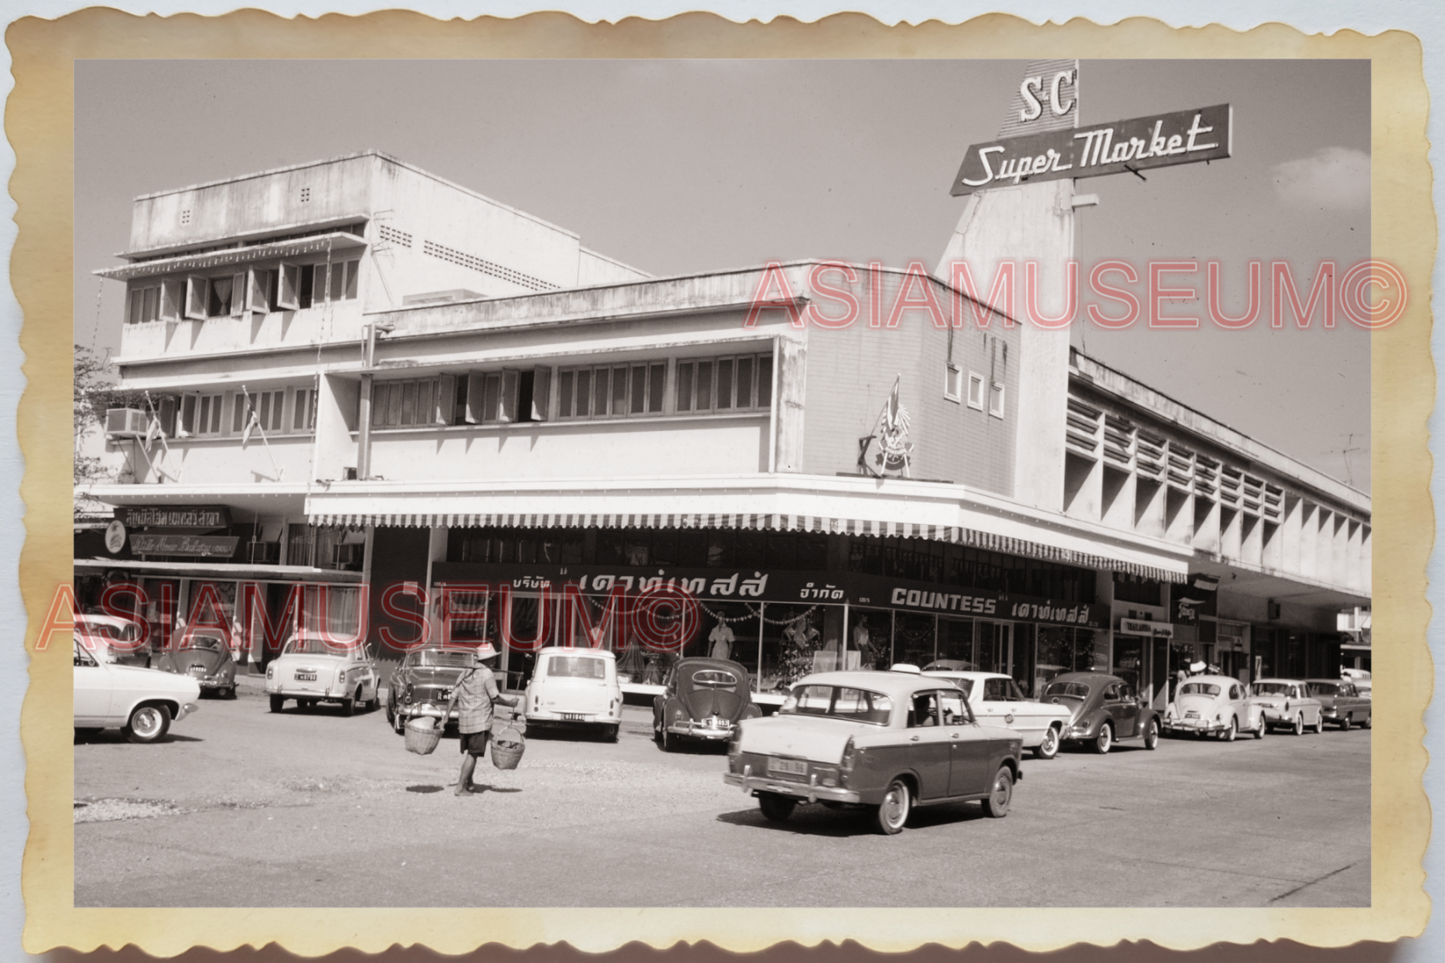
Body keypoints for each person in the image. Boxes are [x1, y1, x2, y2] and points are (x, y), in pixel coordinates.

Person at [441, 643, 522, 797]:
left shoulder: (465, 672)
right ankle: (459, 787)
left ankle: (469, 784)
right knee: (473, 754)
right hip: (480, 721)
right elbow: (495, 697)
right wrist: (510, 703)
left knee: (473, 752)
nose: (494, 662)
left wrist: (446, 717)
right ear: (488, 660)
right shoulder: (487, 674)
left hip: (465, 721)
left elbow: (453, 696)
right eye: (493, 659)